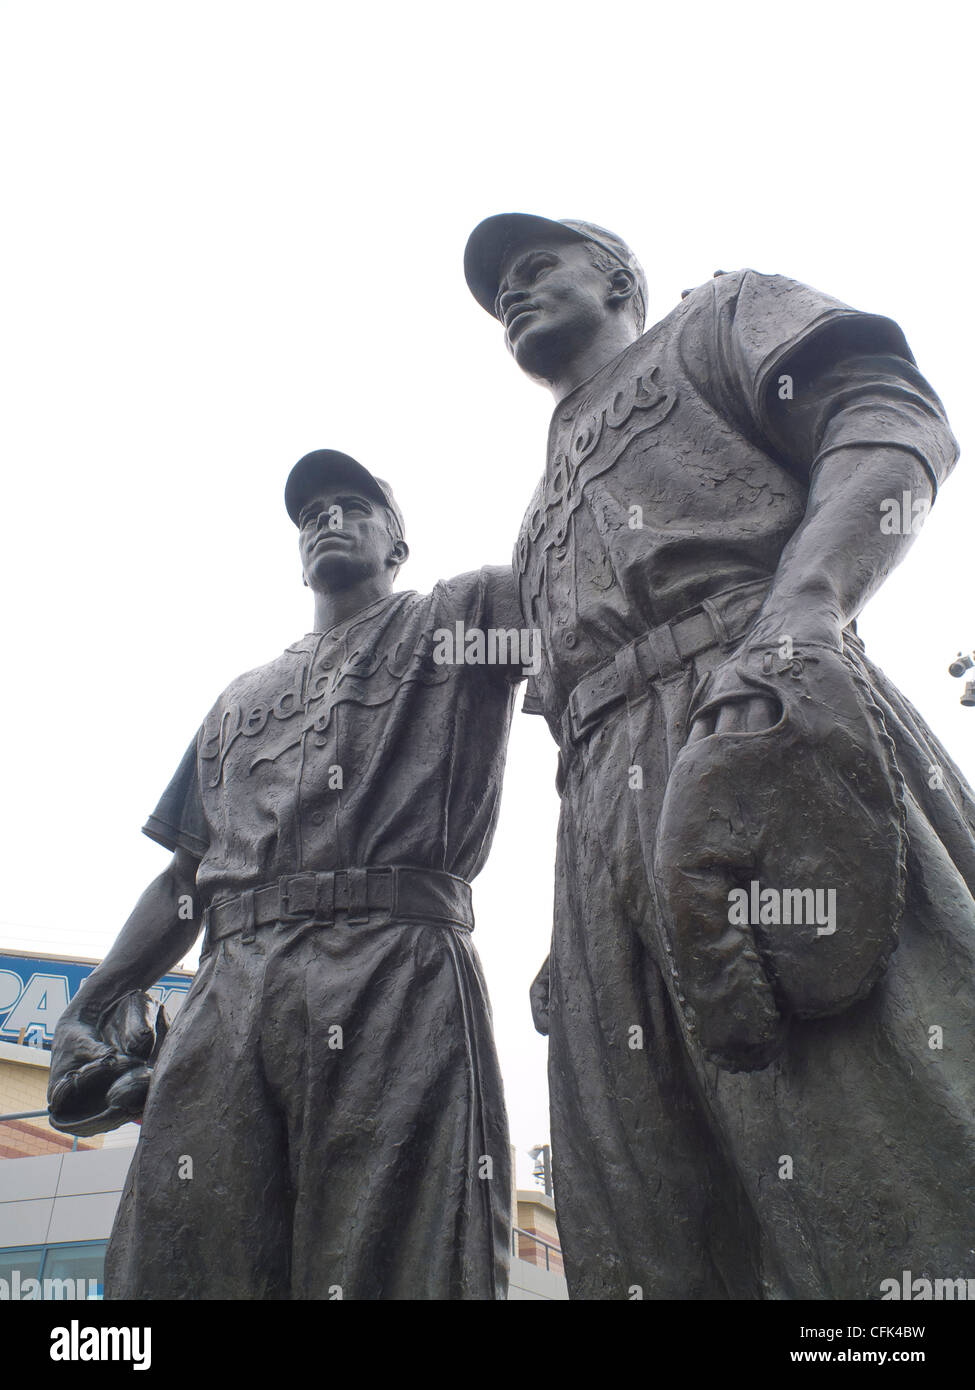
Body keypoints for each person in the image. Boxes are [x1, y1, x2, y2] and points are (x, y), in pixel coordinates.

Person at [464, 213, 975, 1299]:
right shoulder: (533, 515)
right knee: (640, 1201)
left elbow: (893, 424)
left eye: (535, 265)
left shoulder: (719, 316)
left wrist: (802, 615)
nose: (511, 290)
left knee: (871, 1125)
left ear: (616, 277)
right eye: (497, 286)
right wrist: (577, 914)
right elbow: (565, 726)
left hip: (754, 712)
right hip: (599, 812)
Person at [48, 449, 525, 1300]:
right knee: (181, 1254)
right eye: (311, 516)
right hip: (230, 990)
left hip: (392, 969)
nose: (328, 522)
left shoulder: (462, 617)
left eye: (353, 507)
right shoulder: (237, 700)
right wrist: (90, 1007)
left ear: (397, 545)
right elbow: (181, 881)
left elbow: (589, 602)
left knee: (393, 1255)